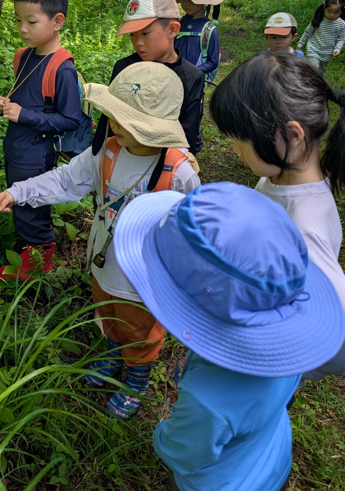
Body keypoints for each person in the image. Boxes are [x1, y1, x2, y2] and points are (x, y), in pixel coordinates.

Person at [0, 62, 199, 417]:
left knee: (140, 328)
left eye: (125, 120)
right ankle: (113, 352)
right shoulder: (108, 150)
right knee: (107, 312)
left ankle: (137, 378)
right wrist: (19, 191)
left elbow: (194, 232)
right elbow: (67, 180)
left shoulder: (179, 172)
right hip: (103, 260)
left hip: (145, 278)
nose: (114, 124)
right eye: (112, 115)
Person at [114, 183, 345, 491]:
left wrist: (161, 433)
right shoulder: (286, 349)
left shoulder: (206, 399)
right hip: (271, 459)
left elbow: (182, 453)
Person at [210, 51, 345, 380]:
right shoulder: (279, 179)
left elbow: (338, 340)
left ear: (292, 135)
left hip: (258, 365)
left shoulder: (304, 228)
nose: (233, 149)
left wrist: (279, 363)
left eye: (240, 139)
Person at [0, 0, 82, 279]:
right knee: (19, 196)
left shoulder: (62, 69)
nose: (22, 29)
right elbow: (25, 96)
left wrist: (24, 115)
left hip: (37, 151)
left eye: (31, 22)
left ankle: (38, 260)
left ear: (57, 21)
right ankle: (27, 249)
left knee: (32, 201)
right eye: (18, 20)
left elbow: (70, 120)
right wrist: (4, 104)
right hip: (16, 147)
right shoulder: (23, 57)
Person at [91, 0, 204, 162]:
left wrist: (183, 165)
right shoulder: (125, 67)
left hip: (163, 166)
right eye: (132, 35)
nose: (138, 43)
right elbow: (108, 119)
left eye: (145, 33)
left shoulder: (191, 77)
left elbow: (188, 131)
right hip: (119, 161)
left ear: (173, 29)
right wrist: (96, 156)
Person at [172, 0, 223, 86]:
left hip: (194, 83)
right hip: (173, 79)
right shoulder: (178, 24)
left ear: (204, 1)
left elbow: (213, 61)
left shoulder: (209, 31)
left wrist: (193, 72)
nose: (186, 4)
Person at [297, 0, 345, 73]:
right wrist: (301, 43)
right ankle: (308, 83)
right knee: (314, 70)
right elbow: (308, 32)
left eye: (336, 12)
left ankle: (318, 83)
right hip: (313, 48)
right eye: (329, 11)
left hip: (327, 53)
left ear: (341, 12)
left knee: (321, 71)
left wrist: (337, 49)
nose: (332, 15)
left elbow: (342, 38)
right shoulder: (319, 19)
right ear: (324, 9)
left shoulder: (342, 24)